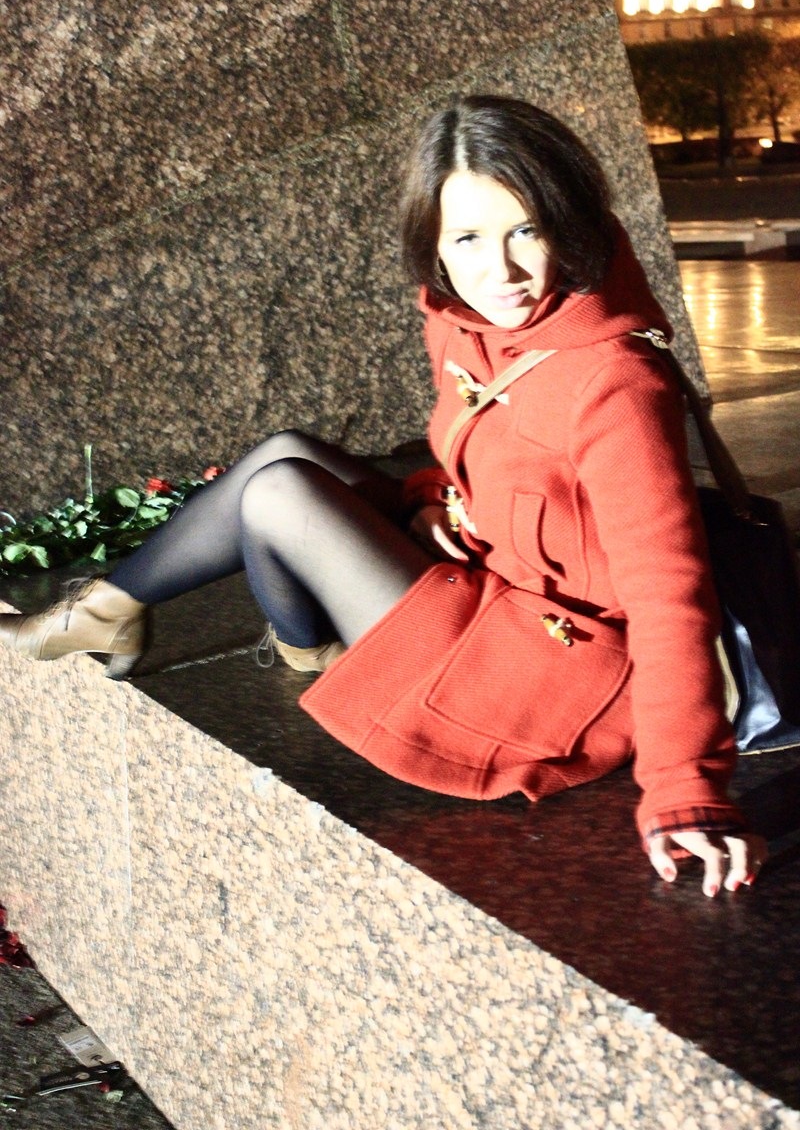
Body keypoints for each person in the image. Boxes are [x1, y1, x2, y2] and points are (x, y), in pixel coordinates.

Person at [0, 95, 765, 896]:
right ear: (434, 244)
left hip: (560, 672)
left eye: (526, 232)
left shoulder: (614, 383)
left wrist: (686, 789)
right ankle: (130, 615)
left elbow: (671, 595)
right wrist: (438, 499)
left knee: (281, 495)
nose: (500, 273)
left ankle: (231, 638)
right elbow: (475, 450)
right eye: (468, 239)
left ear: (570, 223)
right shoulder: (464, 322)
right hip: (488, 579)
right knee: (285, 452)